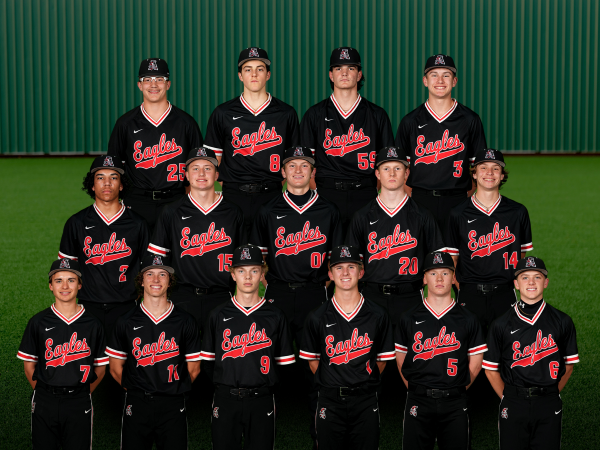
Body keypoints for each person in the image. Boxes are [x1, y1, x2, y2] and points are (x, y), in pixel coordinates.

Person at [250, 145, 343, 445]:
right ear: (283, 171)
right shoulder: (268, 210)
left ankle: (321, 433)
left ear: (313, 172)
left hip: (314, 293)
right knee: (265, 364)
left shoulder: (328, 210)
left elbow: (338, 261)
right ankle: (261, 435)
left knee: (317, 365)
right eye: (292, 165)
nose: (298, 170)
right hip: (277, 292)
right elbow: (258, 260)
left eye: (304, 165)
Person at [199, 244, 295, 450]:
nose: (248, 277)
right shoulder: (218, 315)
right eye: (241, 271)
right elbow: (207, 363)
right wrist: (225, 385)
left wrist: (266, 387)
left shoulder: (276, 315)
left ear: (262, 274)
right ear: (233, 275)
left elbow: (285, 366)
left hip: (262, 399)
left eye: (254, 270)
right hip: (226, 398)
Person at [300, 245, 395, 450]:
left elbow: (382, 359)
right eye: (339, 267)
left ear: (361, 272)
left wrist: (361, 381)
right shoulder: (317, 316)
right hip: (330, 400)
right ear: (330, 274)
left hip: (365, 399)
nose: (345, 273)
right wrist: (334, 380)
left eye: (351, 267)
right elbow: (312, 360)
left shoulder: (378, 315)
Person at [106, 253, 202, 450]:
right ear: (141, 281)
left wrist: (172, 390)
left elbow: (194, 369)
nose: (156, 279)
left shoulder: (185, 321)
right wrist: (137, 390)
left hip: (173, 404)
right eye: (149, 274)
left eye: (162, 274)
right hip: (137, 403)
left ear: (170, 281)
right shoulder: (125, 321)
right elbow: (115, 368)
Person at [483, 256, 579, 450]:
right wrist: (508, 398)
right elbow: (490, 369)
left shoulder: (562, 321)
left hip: (548, 401)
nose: (532, 282)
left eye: (537, 277)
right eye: (525, 277)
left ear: (546, 282)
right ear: (516, 284)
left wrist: (551, 393)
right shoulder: (501, 324)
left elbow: (568, 365)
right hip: (514, 401)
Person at [395, 251, 486, 450]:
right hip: (418, 399)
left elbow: (476, 362)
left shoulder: (468, 318)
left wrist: (457, 389)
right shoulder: (408, 318)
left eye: (445, 273)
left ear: (453, 278)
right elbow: (401, 359)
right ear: (424, 279)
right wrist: (416, 389)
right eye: (433, 273)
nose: (439, 279)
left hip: (455, 401)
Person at [148, 148, 245, 333]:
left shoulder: (233, 212)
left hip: (222, 296)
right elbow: (157, 259)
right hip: (182, 296)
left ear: (217, 175)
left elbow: (243, 260)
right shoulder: (171, 212)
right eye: (195, 168)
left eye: (207, 168)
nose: (201, 174)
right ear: (186, 175)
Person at [203, 47, 300, 234]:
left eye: (260, 69)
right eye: (248, 69)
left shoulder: (286, 113)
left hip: (271, 194)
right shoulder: (223, 113)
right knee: (233, 249)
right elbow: (213, 162)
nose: (254, 74)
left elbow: (294, 161)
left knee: (270, 249)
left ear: (268, 75)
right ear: (240, 76)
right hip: (233, 194)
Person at [346, 146, 445, 326]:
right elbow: (352, 264)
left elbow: (438, 261)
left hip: (411, 296)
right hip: (372, 296)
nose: (392, 173)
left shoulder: (423, 216)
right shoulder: (362, 216)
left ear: (406, 173)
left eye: (398, 168)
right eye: (386, 168)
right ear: (377, 174)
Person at [300, 47, 394, 231]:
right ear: (331, 75)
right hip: (327, 192)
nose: (344, 73)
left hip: (365, 193)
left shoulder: (377, 115)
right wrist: (317, 192)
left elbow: (388, 163)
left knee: (366, 247)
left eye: (351, 68)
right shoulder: (314, 114)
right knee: (327, 247)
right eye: (338, 68)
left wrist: (375, 191)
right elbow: (304, 163)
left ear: (359, 75)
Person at [17, 259, 108, 449]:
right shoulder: (38, 322)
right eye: (58, 281)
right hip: (45, 399)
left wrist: (83, 394)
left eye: (71, 280)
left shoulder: (93, 324)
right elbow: (28, 366)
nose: (65, 286)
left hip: (79, 400)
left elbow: (100, 367)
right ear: (51, 286)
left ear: (80, 285)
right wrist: (43, 393)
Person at [58, 155, 149, 340]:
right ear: (92, 185)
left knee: (124, 358)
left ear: (121, 185)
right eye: (100, 178)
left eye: (114, 177)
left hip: (127, 307)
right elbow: (66, 271)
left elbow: (148, 268)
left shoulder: (138, 224)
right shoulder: (76, 223)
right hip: (87, 307)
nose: (107, 183)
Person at [108, 58, 203, 231]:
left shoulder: (186, 123)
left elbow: (198, 167)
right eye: (147, 80)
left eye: (159, 79)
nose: (153, 85)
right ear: (139, 85)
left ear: (168, 84)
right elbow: (113, 168)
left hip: (175, 199)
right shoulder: (125, 124)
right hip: (136, 201)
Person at [395, 54, 487, 232]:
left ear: (454, 81)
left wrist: (464, 196)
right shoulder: (410, 121)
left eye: (446, 75)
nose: (440, 81)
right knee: (422, 249)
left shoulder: (470, 119)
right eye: (434, 75)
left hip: (458, 199)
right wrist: (412, 197)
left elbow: (479, 167)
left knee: (454, 249)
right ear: (425, 81)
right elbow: (400, 168)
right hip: (420, 199)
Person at [445, 148, 533, 332]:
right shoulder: (458, 213)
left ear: (502, 175)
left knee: (505, 345)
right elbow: (452, 258)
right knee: (470, 346)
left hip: (505, 292)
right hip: (469, 293)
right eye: (483, 167)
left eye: (496, 168)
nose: (489, 173)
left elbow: (521, 254)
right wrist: (462, 288)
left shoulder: (518, 212)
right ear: (474, 174)